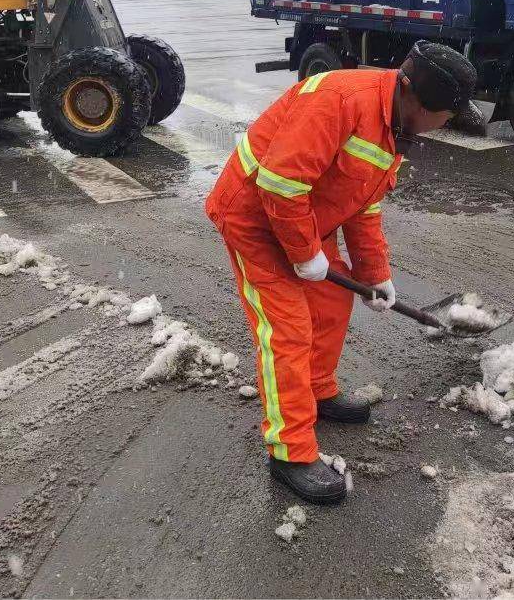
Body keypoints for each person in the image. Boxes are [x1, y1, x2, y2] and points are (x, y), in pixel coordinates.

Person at [205, 41, 479, 504]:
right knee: (287, 331)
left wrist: (375, 274)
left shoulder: (393, 125)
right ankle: (290, 451)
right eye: (445, 117)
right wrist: (304, 252)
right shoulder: (342, 102)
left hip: (304, 216)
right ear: (417, 100)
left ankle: (317, 392)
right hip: (255, 215)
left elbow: (362, 206)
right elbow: (278, 181)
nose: (444, 126)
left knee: (332, 303)